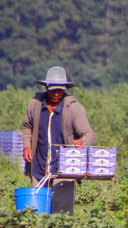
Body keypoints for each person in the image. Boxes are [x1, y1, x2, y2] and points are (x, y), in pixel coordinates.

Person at [21, 66, 95, 215]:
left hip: (64, 168)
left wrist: (83, 142)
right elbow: (27, 127)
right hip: (39, 165)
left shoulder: (73, 108)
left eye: (60, 90)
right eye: (53, 90)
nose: (56, 93)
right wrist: (27, 146)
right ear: (46, 88)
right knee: (37, 212)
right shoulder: (35, 104)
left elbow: (89, 135)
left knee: (62, 213)